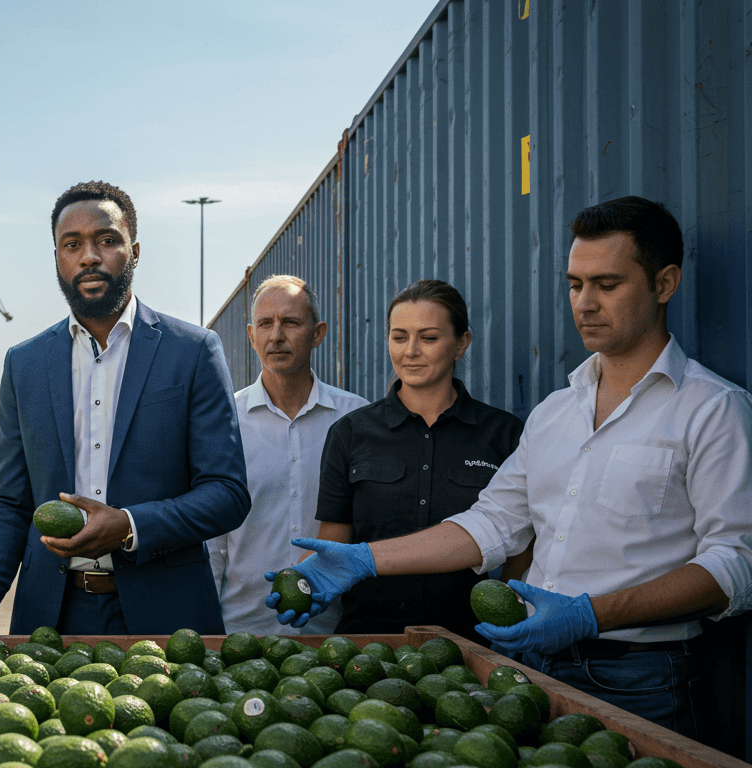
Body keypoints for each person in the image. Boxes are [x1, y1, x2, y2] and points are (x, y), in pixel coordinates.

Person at [271, 197, 752, 739]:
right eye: (575, 285)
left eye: (607, 284)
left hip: (641, 680)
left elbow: (736, 564)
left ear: (664, 284)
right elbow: (492, 523)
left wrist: (591, 614)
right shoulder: (553, 413)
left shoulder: (713, 410)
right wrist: (365, 559)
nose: (585, 303)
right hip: (530, 672)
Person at [0, 180, 250, 649]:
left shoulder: (192, 352)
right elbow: (10, 505)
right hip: (50, 617)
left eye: (106, 240)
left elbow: (227, 493)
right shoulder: (25, 364)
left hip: (169, 617)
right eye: (72, 245)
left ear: (134, 252)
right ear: (57, 259)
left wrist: (130, 525)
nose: (89, 256)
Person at [288, 279, 524, 644]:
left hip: (468, 644)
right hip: (365, 646)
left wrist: (509, 626)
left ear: (461, 343)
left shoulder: (504, 434)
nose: (411, 351)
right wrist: (306, 582)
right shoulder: (350, 433)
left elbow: (520, 545)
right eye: (399, 337)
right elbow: (334, 540)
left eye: (428, 338)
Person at [206, 275, 367, 636]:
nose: (276, 336)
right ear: (252, 336)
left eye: (291, 322)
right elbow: (212, 542)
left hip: (336, 634)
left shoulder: (356, 419)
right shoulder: (224, 422)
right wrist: (208, 630)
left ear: (318, 333)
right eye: (265, 324)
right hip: (241, 632)